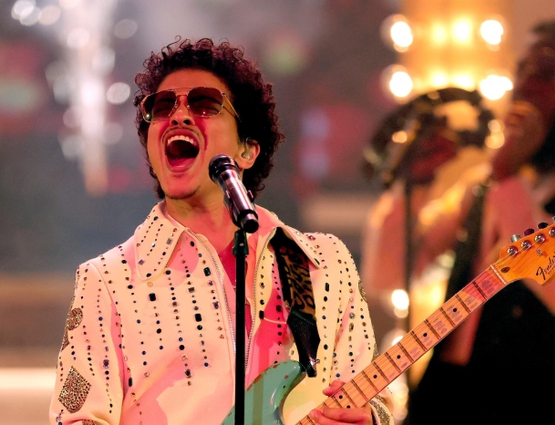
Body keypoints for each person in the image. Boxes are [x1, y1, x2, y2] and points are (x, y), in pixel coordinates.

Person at [49, 37, 394, 425]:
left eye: (204, 104)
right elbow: (76, 417)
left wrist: (370, 419)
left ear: (247, 150)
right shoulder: (108, 280)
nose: (179, 115)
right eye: (162, 107)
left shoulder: (324, 261)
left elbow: (373, 399)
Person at [362, 20, 555, 424]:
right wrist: (414, 187)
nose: (526, 85)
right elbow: (388, 275)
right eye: (523, 70)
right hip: (444, 399)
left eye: (549, 72)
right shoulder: (485, 181)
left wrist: (507, 179)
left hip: (543, 410)